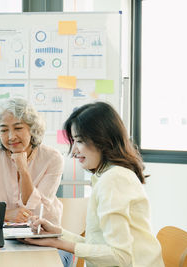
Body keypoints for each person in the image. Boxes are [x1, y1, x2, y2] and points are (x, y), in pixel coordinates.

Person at [23, 101, 165, 267]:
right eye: (73, 141)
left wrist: (58, 243)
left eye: (79, 141)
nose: (74, 151)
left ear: (102, 140)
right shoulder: (108, 175)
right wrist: (57, 234)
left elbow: (120, 257)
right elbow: (100, 246)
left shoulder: (114, 179)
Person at [0, 98, 72, 267]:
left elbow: (34, 208)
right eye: (3, 130)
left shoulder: (53, 158)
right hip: (2, 238)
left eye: (18, 128)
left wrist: (23, 169)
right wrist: (6, 214)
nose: (11, 136)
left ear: (32, 129)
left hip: (45, 238)